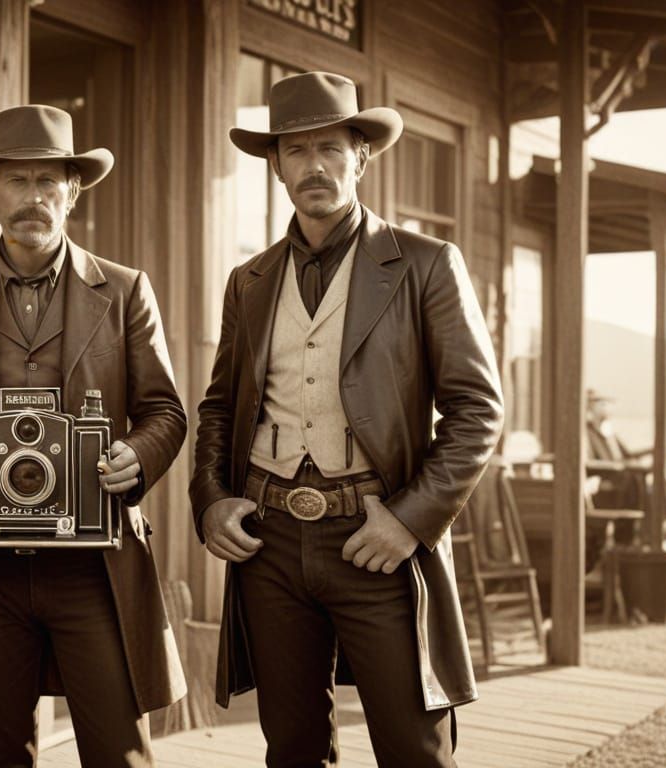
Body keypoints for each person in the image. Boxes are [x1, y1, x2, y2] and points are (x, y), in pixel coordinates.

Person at [190, 71, 504, 767]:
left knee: (414, 749)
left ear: (362, 155)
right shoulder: (249, 280)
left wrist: (410, 520)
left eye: (330, 147)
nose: (315, 166)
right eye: (296, 151)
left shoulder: (426, 264)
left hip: (376, 537)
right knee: (292, 749)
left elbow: (478, 409)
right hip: (268, 543)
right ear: (275, 165)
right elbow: (219, 406)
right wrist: (210, 501)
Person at [0, 104, 187, 767]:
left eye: (47, 182)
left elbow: (166, 411)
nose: (33, 199)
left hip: (94, 563)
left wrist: (132, 459)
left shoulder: (127, 290)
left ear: (73, 189)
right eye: (17, 182)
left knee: (119, 752)